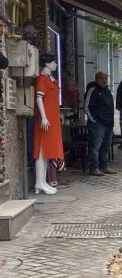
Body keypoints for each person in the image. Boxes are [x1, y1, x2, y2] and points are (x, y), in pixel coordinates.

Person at [33, 55, 65, 194]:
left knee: (47, 152)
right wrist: (44, 117)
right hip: (46, 120)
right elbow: (39, 98)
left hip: (52, 119)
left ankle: (42, 181)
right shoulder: (42, 79)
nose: (56, 65)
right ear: (47, 63)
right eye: (54, 62)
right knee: (41, 151)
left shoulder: (50, 79)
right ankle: (39, 182)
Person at [84, 72, 116, 176]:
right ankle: (94, 167)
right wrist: (93, 120)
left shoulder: (107, 91)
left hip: (108, 123)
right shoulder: (92, 90)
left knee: (106, 145)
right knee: (95, 146)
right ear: (97, 79)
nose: (105, 80)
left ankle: (104, 166)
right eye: (102, 78)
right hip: (97, 123)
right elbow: (86, 106)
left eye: (106, 78)